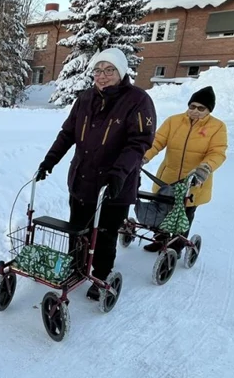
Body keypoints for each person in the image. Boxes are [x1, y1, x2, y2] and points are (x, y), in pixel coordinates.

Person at [37, 48, 156, 300]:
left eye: (109, 70)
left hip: (115, 185)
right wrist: (50, 160)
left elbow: (139, 143)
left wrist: (119, 173)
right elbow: (67, 134)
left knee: (104, 234)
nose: (102, 76)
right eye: (98, 71)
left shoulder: (138, 100)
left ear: (121, 71)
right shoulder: (86, 99)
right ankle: (77, 270)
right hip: (82, 180)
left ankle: (101, 276)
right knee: (77, 230)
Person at [140, 85, 227, 252]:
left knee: (184, 215)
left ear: (208, 110)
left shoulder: (217, 127)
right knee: (161, 210)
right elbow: (156, 142)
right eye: (192, 106)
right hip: (167, 178)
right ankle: (159, 240)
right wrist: (143, 157)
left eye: (201, 108)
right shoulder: (174, 121)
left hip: (195, 182)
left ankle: (177, 246)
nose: (195, 111)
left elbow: (217, 152)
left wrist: (205, 167)